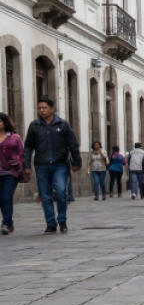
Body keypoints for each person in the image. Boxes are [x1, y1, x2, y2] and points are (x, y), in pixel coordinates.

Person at [23, 97, 80, 234]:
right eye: (39, 108)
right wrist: (26, 164)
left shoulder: (63, 124)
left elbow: (72, 143)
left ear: (52, 109)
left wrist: (77, 161)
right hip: (41, 164)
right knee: (45, 195)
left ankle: (62, 219)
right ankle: (50, 222)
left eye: (44, 108)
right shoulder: (34, 126)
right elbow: (28, 146)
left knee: (61, 191)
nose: (41, 110)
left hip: (60, 164)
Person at [0, 113, 26, 235]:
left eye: (0, 121)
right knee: (1, 199)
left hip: (11, 172)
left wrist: (24, 168)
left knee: (6, 197)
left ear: (5, 123)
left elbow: (22, 154)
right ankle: (9, 223)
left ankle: (5, 223)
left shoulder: (14, 137)